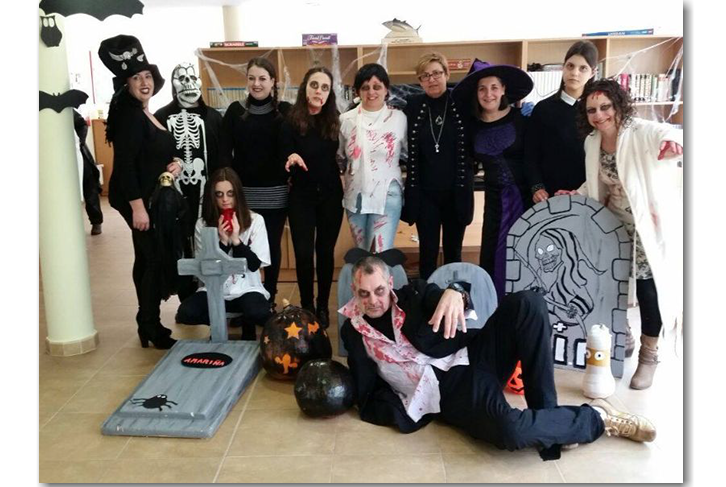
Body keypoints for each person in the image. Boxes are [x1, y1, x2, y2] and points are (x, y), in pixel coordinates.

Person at [340, 255, 657, 460]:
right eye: (364, 293)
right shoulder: (353, 332)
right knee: (510, 431)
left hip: (474, 353)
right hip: (451, 392)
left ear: (390, 284)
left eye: (379, 290)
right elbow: (364, 385)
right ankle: (596, 419)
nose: (373, 300)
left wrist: (456, 291)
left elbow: (449, 297)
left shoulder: (415, 293)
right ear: (355, 291)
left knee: (528, 303)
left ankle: (549, 419)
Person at [558, 79, 683, 390]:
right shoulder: (592, 142)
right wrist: (575, 194)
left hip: (646, 222)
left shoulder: (640, 131)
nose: (599, 115)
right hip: (613, 220)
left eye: (605, 107)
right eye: (592, 110)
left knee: (647, 288)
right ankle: (619, 333)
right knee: (608, 282)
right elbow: (599, 181)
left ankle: (649, 355)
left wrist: (672, 142)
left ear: (618, 106)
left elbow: (666, 133)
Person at [99, 34, 183, 349]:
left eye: (147, 76)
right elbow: (125, 165)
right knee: (154, 259)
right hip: (138, 200)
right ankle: (149, 323)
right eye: (137, 78)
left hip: (152, 197)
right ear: (126, 84)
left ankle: (146, 321)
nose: (144, 82)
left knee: (145, 258)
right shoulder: (130, 117)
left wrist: (175, 163)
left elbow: (157, 153)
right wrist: (138, 208)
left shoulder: (146, 112)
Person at [452, 60, 534, 299]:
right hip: (494, 200)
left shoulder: (523, 119)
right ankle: (494, 303)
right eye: (482, 89)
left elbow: (536, 159)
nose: (488, 94)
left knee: (523, 249)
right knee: (491, 250)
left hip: (523, 198)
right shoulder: (472, 126)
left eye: (494, 87)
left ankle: (522, 303)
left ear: (503, 89)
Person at [221, 57, 292, 310]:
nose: (257, 84)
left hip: (275, 194)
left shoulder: (285, 111)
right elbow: (224, 154)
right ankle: (242, 297)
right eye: (252, 78)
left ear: (273, 82)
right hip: (243, 195)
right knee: (240, 246)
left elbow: (292, 150)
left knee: (270, 248)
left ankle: (268, 298)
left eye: (262, 78)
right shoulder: (235, 111)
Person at [176, 168, 272, 340]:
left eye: (230, 194)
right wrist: (222, 242)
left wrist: (236, 241)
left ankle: (247, 325)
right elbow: (204, 268)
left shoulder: (255, 221)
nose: (225, 200)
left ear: (238, 195)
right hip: (214, 288)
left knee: (259, 312)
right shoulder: (202, 224)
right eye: (219, 194)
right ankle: (217, 327)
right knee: (186, 313)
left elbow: (254, 265)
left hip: (247, 288)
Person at [402, 52, 473, 280]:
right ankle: (428, 298)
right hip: (425, 195)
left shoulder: (463, 102)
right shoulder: (413, 106)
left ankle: (455, 298)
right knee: (427, 253)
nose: (431, 79)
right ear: (420, 81)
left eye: (436, 73)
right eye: (425, 76)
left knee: (454, 252)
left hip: (456, 193)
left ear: (447, 74)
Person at [280, 67, 343, 328]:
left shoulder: (336, 120)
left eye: (325, 87)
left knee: (325, 253)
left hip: (331, 196)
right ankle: (307, 306)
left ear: (329, 93)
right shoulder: (290, 121)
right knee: (304, 254)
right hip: (301, 197)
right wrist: (291, 156)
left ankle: (322, 306)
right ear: (305, 87)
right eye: (314, 85)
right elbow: (283, 151)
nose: (319, 91)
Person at [338, 63, 407, 252]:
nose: (371, 92)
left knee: (380, 254)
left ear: (386, 89)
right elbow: (340, 156)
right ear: (358, 91)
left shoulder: (399, 118)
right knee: (361, 254)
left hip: (387, 195)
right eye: (365, 87)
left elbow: (410, 154)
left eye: (377, 87)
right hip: (355, 195)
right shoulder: (346, 120)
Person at [525, 40, 599, 204]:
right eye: (570, 66)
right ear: (563, 67)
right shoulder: (543, 109)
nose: (575, 73)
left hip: (589, 195)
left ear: (593, 72)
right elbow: (530, 155)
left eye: (583, 68)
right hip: (550, 196)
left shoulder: (596, 111)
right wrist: (537, 187)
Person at [73, 109, 104, 235]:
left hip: (79, 154)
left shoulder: (67, 111)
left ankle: (96, 222)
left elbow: (82, 124)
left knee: (90, 189)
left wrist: (79, 142)